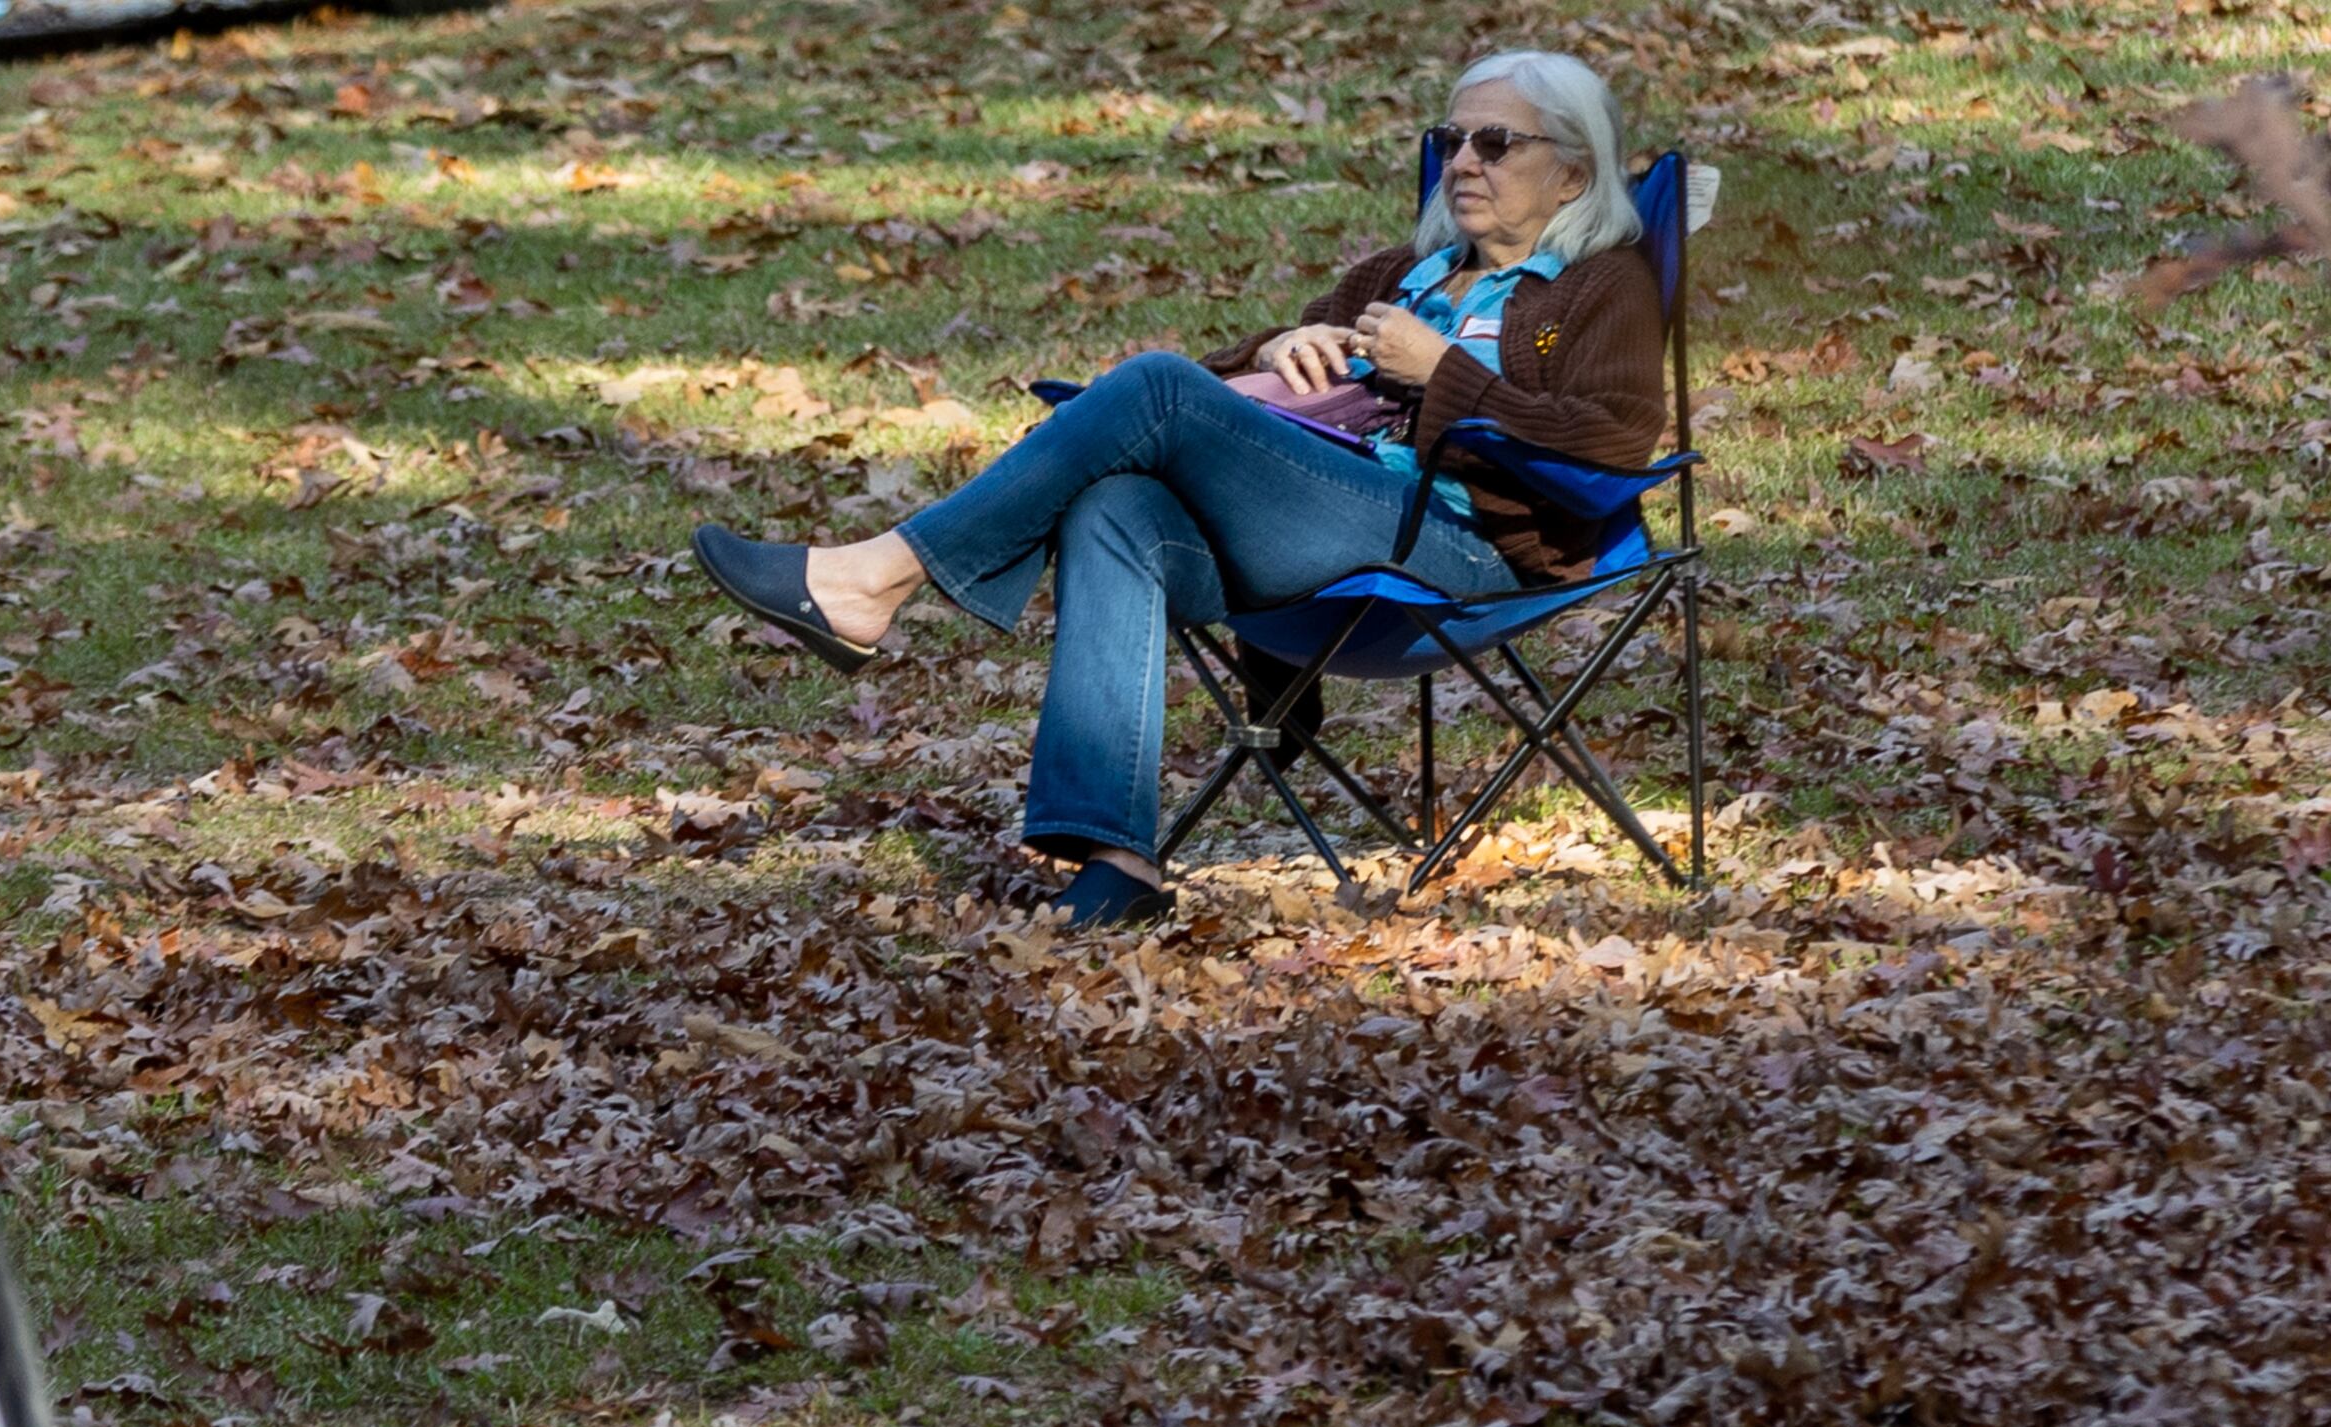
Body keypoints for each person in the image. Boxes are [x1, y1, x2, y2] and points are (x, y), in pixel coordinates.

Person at [691, 51, 1669, 928]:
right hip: (1323, 527)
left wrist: (1447, 373)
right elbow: (1218, 391)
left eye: (1496, 142)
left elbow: (1615, 447)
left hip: (1459, 552)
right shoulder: (1403, 273)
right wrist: (1279, 345)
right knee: (1116, 506)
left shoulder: (1599, 286)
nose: (1463, 161)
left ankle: (875, 580)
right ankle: (1116, 859)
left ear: (1573, 172)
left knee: (1156, 386)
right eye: (1451, 139)